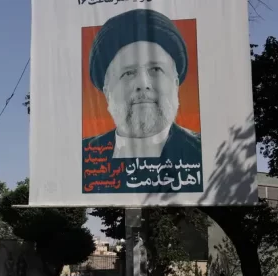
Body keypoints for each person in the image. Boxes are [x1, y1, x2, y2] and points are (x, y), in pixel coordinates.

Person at [81, 9, 202, 192]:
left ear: (175, 84)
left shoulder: (203, 152)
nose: (143, 85)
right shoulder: (83, 155)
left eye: (155, 70)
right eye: (128, 73)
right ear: (107, 92)